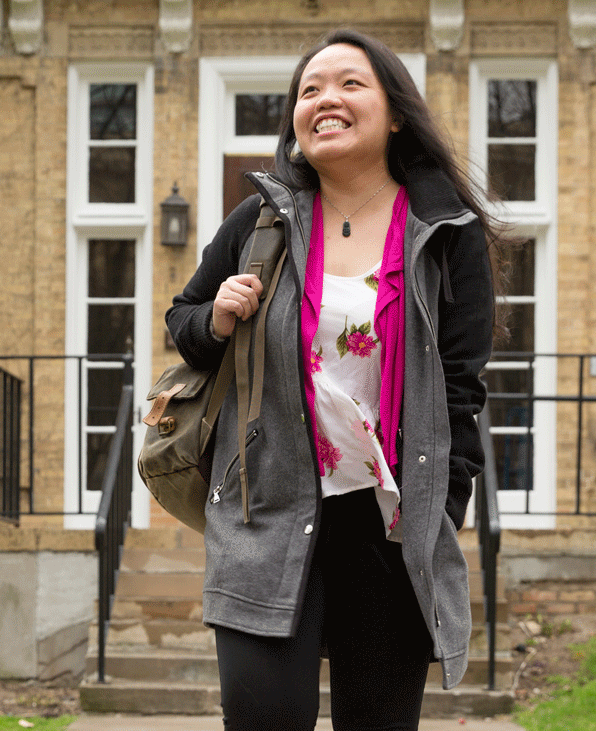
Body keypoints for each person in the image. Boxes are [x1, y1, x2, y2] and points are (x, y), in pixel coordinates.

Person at [164, 29, 502, 731]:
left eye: (350, 83)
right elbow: (183, 319)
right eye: (309, 90)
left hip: (389, 527)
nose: (325, 99)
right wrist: (217, 320)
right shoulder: (261, 220)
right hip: (265, 509)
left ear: (396, 111)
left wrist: (442, 510)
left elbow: (463, 388)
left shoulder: (446, 231)